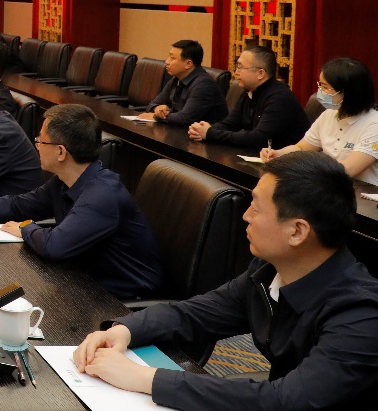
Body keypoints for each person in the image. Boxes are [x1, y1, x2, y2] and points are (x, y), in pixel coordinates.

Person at [72, 152, 378, 409]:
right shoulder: (269, 271)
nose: (246, 216)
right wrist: (124, 330)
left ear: (297, 231)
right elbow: (196, 313)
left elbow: (285, 401)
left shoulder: (360, 315)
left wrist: (145, 378)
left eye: (256, 207)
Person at [0, 104, 162, 298]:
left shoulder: (101, 195)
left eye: (41, 141)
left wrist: (25, 228)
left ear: (61, 152)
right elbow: (20, 204)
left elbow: (55, 246)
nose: (36, 146)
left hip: (121, 298)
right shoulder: (64, 180)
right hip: (83, 279)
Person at [264, 57, 378, 184]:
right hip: (329, 186)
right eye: (320, 85)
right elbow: (301, 148)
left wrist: (310, 167)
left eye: (325, 87)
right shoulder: (329, 114)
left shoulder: (374, 124)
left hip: (361, 191)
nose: (320, 91)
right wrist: (279, 154)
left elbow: (348, 170)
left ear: (348, 92)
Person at [188, 45, 309, 150]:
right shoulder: (250, 91)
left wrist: (210, 133)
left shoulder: (279, 98)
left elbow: (257, 139)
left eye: (241, 67)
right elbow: (231, 123)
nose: (236, 71)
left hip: (287, 163)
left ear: (260, 73)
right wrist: (201, 130)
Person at [138, 39, 227, 126]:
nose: (167, 62)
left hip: (203, 134)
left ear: (188, 64)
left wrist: (156, 117)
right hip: (181, 131)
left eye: (172, 58)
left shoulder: (204, 85)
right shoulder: (177, 78)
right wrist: (158, 109)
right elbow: (152, 104)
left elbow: (184, 118)